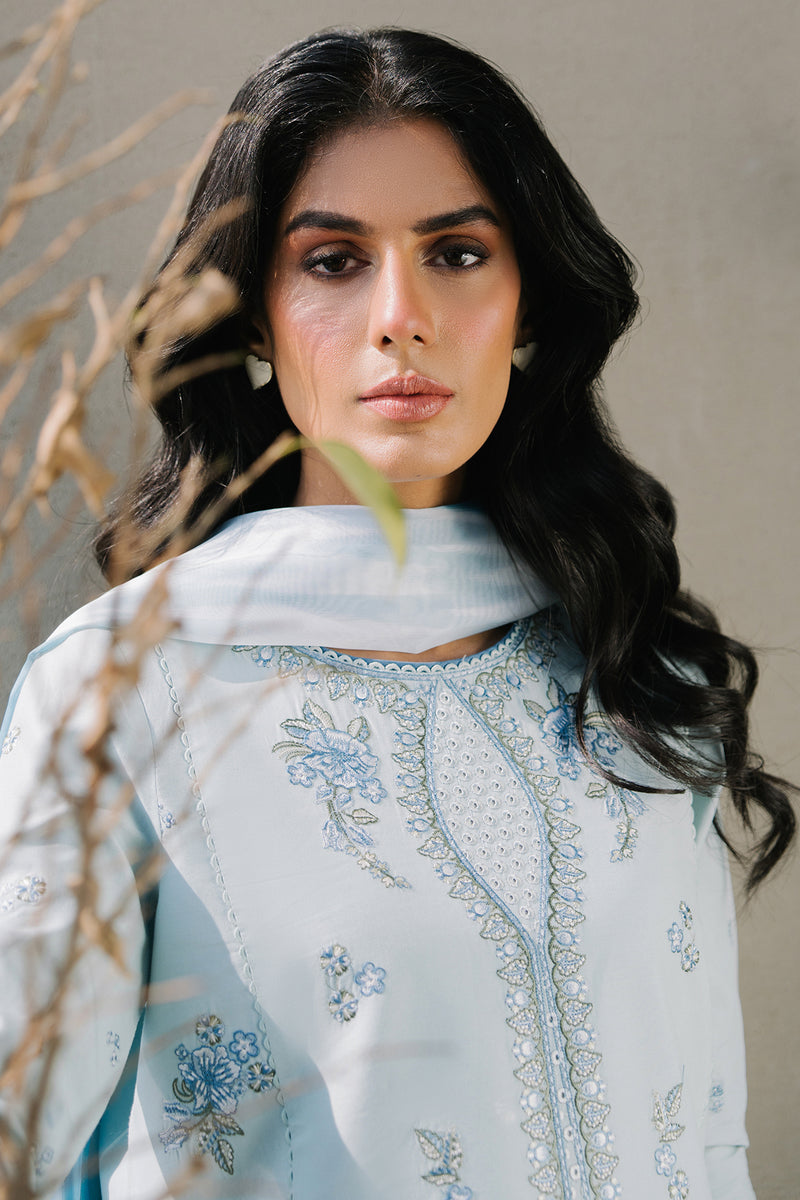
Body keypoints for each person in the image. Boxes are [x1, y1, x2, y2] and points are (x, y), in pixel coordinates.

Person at [0, 26, 794, 1200]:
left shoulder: (627, 661)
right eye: (331, 261)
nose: (397, 315)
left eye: (456, 253)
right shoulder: (127, 690)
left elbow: (707, 1139)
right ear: (253, 313)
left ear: (527, 297)